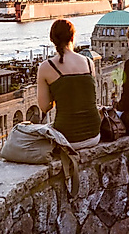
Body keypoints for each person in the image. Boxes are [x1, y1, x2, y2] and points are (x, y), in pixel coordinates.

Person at [37, 19, 101, 150]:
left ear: (52, 40)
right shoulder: (89, 62)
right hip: (94, 134)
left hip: (67, 137)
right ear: (72, 37)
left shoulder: (46, 67)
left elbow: (45, 107)